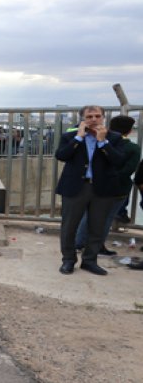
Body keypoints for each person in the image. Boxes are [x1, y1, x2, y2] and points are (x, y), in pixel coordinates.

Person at [55, 105, 124, 276]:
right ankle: (68, 260)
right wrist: (78, 138)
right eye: (90, 116)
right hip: (76, 187)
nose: (94, 119)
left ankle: (90, 261)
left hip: (102, 189)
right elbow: (61, 155)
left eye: (97, 116)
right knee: (69, 226)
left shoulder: (114, 138)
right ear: (83, 118)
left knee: (97, 227)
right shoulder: (70, 136)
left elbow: (118, 161)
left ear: (103, 118)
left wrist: (103, 142)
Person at [74, 115, 140, 256]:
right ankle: (97, 247)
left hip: (95, 185)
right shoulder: (132, 148)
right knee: (106, 219)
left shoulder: (99, 142)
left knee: (88, 216)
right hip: (118, 189)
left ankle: (78, 243)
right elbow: (129, 170)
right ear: (129, 131)